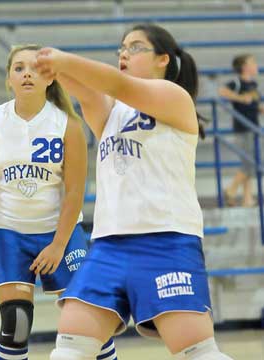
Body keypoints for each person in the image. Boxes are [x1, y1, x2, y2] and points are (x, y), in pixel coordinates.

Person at [34, 24, 234, 359]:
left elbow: (117, 83)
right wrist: (51, 67)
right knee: (67, 350)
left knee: (198, 353)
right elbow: (88, 92)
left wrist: (64, 60)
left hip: (166, 240)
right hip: (109, 244)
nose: (124, 53)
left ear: (163, 60)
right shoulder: (111, 111)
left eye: (136, 47)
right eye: (121, 48)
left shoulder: (174, 97)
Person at [0, 44, 117, 360]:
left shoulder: (67, 125)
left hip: (59, 230)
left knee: (89, 323)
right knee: (16, 322)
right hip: (7, 230)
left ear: (50, 78)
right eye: (18, 68)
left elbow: (75, 191)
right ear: (9, 79)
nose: (27, 73)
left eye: (34, 68)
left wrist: (58, 245)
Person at [219, 54, 264, 207]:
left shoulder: (254, 85)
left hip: (254, 127)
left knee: (249, 164)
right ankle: (231, 190)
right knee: (249, 164)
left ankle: (247, 198)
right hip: (243, 128)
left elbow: (254, 104)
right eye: (253, 62)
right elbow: (222, 92)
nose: (256, 65)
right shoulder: (237, 83)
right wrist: (240, 98)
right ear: (245, 67)